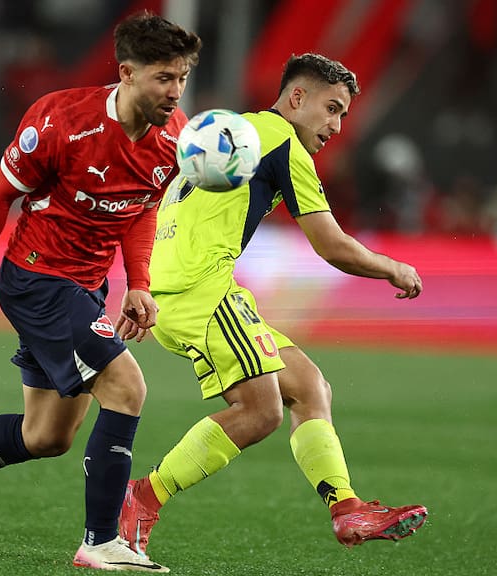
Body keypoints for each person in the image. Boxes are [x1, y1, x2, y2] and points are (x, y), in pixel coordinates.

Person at [0, 11, 201, 572]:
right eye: (163, 78)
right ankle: (101, 540)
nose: (175, 92)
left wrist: (140, 284)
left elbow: (139, 211)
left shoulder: (174, 138)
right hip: (37, 279)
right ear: (127, 73)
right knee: (127, 387)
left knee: (46, 436)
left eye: (181, 77)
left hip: (88, 287)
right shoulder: (60, 120)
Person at [116, 54, 428, 558]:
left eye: (343, 115)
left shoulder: (229, 132)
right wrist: (393, 267)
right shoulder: (283, 142)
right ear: (297, 98)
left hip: (171, 290)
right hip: (203, 292)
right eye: (331, 108)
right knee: (261, 413)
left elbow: (165, 208)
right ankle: (141, 498)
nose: (335, 125)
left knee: (308, 386)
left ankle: (347, 508)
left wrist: (140, 288)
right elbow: (331, 244)